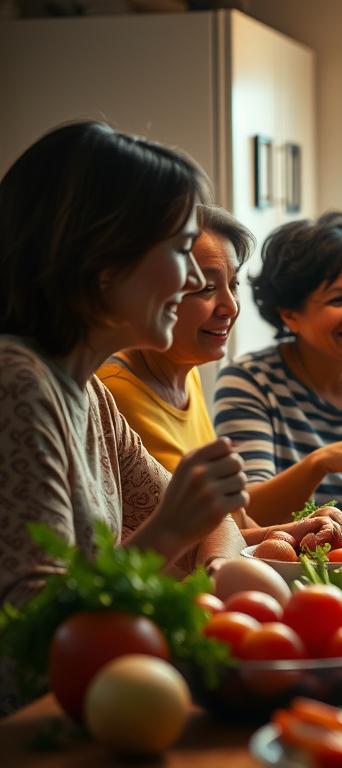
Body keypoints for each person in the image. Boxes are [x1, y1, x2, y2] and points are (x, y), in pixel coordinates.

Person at [0, 121, 248, 708]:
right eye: (181, 250)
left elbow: (208, 524)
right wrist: (169, 531)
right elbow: (31, 641)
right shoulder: (17, 383)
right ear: (104, 260)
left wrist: (202, 549)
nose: (192, 279)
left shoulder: (89, 395)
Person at [99, 205, 342, 543]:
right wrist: (292, 529)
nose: (230, 306)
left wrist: (299, 526)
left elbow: (231, 522)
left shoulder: (183, 371)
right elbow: (196, 544)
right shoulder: (118, 393)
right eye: (205, 288)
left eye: (232, 284)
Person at [214, 212, 342, 521]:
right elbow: (245, 513)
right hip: (285, 565)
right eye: (339, 299)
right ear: (290, 315)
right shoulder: (249, 381)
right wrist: (320, 462)